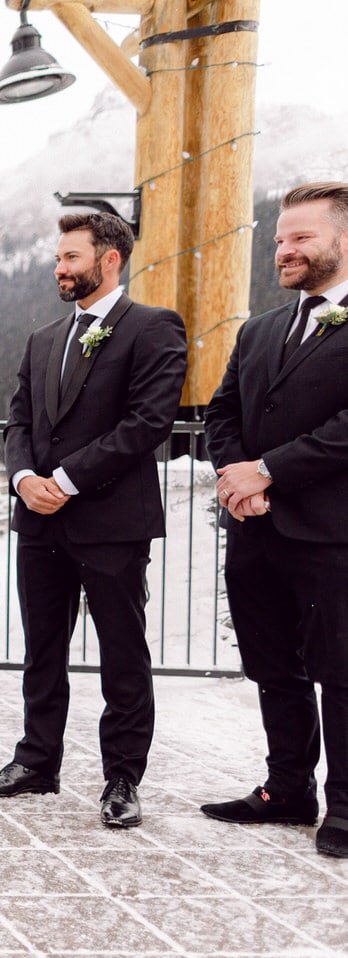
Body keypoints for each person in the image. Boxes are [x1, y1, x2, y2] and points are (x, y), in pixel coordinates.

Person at [0, 212, 187, 828]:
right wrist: (23, 479)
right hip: (39, 521)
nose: (59, 269)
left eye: (70, 258)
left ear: (109, 259)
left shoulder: (153, 328)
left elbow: (147, 424)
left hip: (112, 522)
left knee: (122, 650)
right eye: (58, 258)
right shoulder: (42, 339)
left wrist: (64, 481)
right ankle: (37, 761)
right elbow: (20, 422)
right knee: (42, 648)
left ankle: (122, 776)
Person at [202, 181, 348, 858]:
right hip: (254, 529)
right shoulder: (259, 329)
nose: (284, 250)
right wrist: (238, 478)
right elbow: (222, 413)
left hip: (332, 532)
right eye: (280, 238)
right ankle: (288, 788)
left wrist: (270, 471)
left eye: (302, 237)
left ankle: (345, 807)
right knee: (272, 666)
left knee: (341, 670)